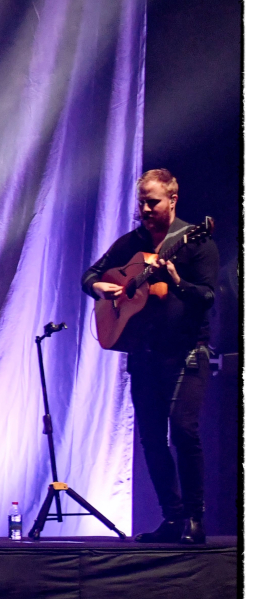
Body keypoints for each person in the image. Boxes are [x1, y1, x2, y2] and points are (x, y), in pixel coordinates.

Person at [82, 170, 219, 544]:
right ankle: (171, 518)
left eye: (152, 202)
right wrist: (101, 288)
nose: (144, 209)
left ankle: (194, 518)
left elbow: (207, 296)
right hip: (144, 354)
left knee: (183, 430)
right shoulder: (132, 243)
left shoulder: (195, 241)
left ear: (173, 199)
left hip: (187, 352)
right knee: (152, 439)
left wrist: (175, 280)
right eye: (141, 202)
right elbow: (89, 275)